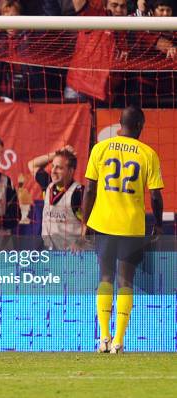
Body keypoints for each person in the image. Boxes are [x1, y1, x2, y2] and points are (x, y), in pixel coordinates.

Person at [81, 106, 164, 354]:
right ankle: (118, 341)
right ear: (140, 125)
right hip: (131, 225)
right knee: (126, 280)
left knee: (105, 278)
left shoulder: (101, 148)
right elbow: (156, 196)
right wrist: (158, 224)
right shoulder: (148, 154)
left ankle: (103, 337)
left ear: (120, 123)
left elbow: (89, 189)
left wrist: (86, 221)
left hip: (103, 223)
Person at [27, 145, 85, 250]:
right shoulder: (48, 183)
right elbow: (32, 164)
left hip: (70, 256)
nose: (53, 171)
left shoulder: (78, 192)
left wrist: (79, 243)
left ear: (71, 171)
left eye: (59, 167)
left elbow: (90, 223)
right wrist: (57, 153)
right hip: (48, 252)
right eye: (53, 166)